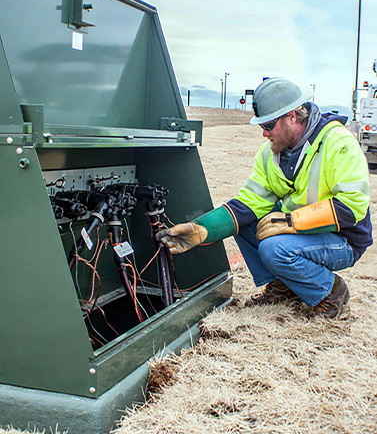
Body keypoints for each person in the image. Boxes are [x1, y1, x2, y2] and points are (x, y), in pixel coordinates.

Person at [157, 78, 373, 319]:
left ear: (293, 116)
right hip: (303, 233)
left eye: (269, 124)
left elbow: (352, 207)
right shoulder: (269, 154)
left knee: (274, 248)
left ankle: (331, 292)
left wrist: (291, 222)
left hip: (342, 239)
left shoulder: (338, 142)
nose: (264, 132)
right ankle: (284, 286)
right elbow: (249, 203)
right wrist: (201, 230)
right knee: (245, 223)